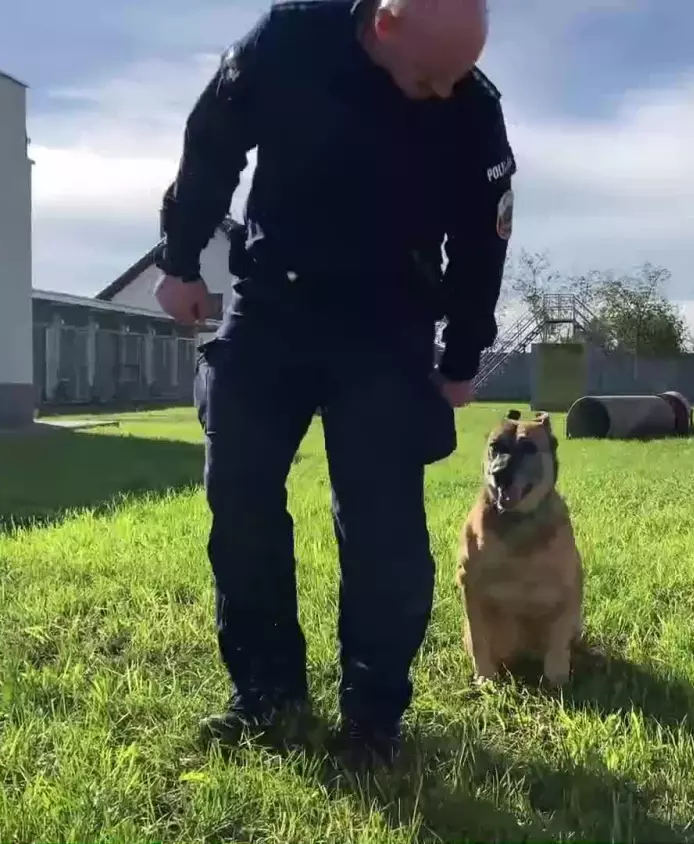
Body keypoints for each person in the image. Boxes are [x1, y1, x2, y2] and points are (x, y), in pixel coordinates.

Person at [151, 0, 514, 768]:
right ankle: (266, 694)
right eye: (431, 74)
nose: (445, 91)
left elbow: (483, 242)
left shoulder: (470, 109)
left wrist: (461, 358)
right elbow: (212, 143)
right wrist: (181, 261)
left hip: (389, 326)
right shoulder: (289, 40)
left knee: (382, 528)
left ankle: (374, 717)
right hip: (272, 305)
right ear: (384, 24)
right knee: (240, 499)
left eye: (457, 76)